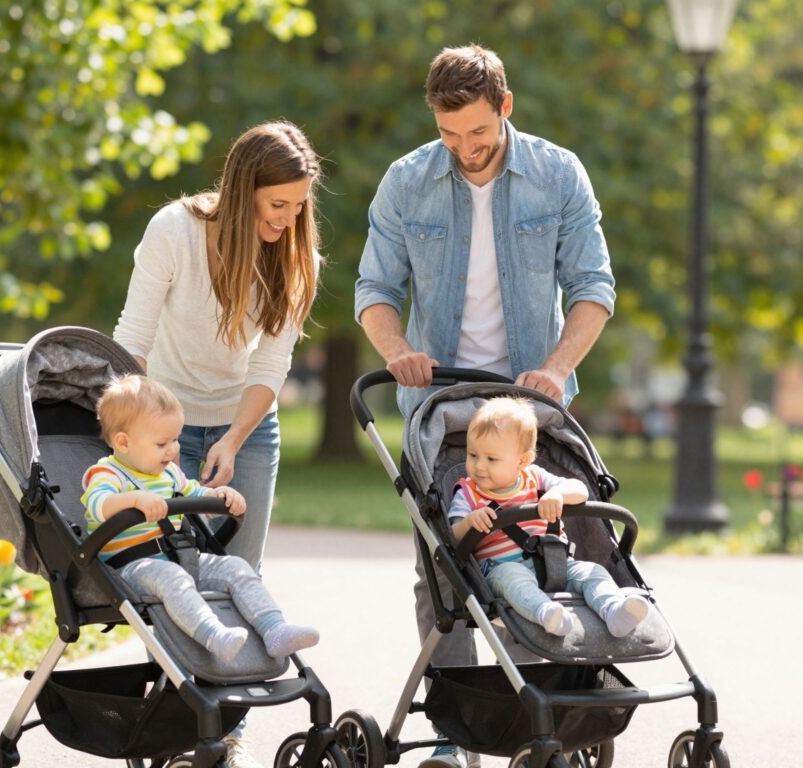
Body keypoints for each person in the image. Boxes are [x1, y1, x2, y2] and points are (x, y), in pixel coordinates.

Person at [353, 45, 616, 768]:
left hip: (531, 407)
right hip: (439, 406)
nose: (465, 150)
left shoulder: (557, 174)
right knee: (443, 567)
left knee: (545, 552)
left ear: (505, 107)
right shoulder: (407, 182)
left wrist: (558, 367)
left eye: (477, 133)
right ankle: (455, 726)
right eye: (448, 135)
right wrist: (395, 346)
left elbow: (595, 286)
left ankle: (542, 713)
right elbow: (374, 289)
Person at [113, 120, 322, 768]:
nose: (288, 220)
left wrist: (233, 437)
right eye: (276, 204)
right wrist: (147, 432)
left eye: (298, 205)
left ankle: (225, 730)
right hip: (161, 424)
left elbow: (269, 369)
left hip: (246, 426)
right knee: (169, 573)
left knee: (238, 575)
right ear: (241, 193)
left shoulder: (296, 256)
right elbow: (132, 338)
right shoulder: (173, 232)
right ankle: (176, 714)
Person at [81, 374, 320, 663]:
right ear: (123, 442)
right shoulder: (107, 473)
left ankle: (274, 630)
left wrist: (219, 494)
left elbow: (195, 493)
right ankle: (213, 635)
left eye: (175, 440)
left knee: (235, 566)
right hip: (131, 569)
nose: (172, 450)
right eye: (161, 444)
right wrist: (135, 500)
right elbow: (98, 505)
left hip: (180, 559)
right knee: (172, 577)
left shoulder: (168, 473)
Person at [449, 397, 648, 639]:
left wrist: (557, 493)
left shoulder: (535, 476)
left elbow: (581, 489)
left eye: (491, 459)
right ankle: (546, 613)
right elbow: (453, 535)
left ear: (522, 461)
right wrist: (469, 522)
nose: (479, 466)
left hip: (556, 565)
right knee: (513, 576)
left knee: (592, 572)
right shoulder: (468, 493)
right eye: (472, 455)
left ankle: (614, 611)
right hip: (501, 570)